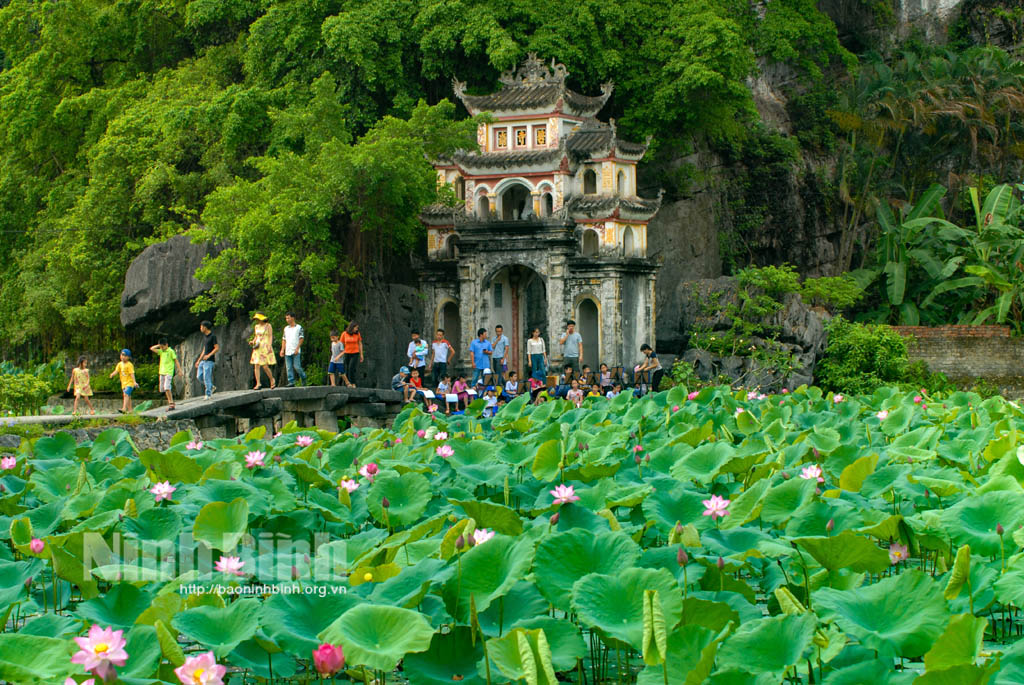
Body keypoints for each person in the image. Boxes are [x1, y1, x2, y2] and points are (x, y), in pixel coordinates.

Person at [150, 338, 184, 410]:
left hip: (169, 372)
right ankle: (170, 401)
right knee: (162, 389)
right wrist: (159, 345)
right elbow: (152, 348)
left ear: (167, 345)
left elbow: (176, 361)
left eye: (163, 347)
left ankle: (171, 403)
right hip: (162, 372)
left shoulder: (171, 351)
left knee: (167, 387)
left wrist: (180, 370)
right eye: (161, 347)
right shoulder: (161, 352)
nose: (162, 348)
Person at [249, 312, 276, 390]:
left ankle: (271, 379)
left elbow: (270, 336)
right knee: (256, 365)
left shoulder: (268, 326)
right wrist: (253, 341)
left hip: (265, 346)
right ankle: (258, 383)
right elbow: (256, 336)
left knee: (264, 366)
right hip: (258, 346)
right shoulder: (256, 326)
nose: (257, 320)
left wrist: (269, 346)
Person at [280, 312, 307, 387]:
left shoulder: (298, 327)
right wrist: (282, 349)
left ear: (293, 318)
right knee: (288, 367)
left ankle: (303, 377)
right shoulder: (286, 328)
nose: (287, 320)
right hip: (288, 350)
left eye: (288, 318)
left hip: (296, 350)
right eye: (286, 318)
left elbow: (301, 338)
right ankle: (291, 381)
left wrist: (297, 348)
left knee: (297, 367)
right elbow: (284, 339)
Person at [195, 320, 219, 399]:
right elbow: (204, 349)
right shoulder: (205, 337)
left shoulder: (213, 336)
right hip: (203, 360)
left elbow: (216, 348)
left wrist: (208, 355)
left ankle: (208, 394)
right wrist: (199, 360)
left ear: (205, 327)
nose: (200, 328)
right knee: (199, 376)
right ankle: (211, 387)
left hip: (209, 360)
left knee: (206, 377)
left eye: (201, 327)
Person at [110, 349, 138, 413]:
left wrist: (134, 382)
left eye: (125, 356)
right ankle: (130, 410)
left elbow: (132, 373)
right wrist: (112, 374)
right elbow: (116, 371)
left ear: (128, 357)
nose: (123, 357)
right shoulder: (119, 364)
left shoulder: (129, 365)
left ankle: (124, 408)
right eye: (122, 355)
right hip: (124, 384)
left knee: (126, 394)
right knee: (128, 396)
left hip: (129, 383)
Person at [340, 322, 364, 387]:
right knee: (346, 368)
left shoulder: (357, 334)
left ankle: (353, 383)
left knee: (351, 368)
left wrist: (361, 354)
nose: (357, 329)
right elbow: (341, 344)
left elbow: (360, 343)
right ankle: (348, 383)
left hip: (355, 353)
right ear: (352, 327)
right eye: (356, 328)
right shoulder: (344, 334)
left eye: (357, 328)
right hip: (347, 353)